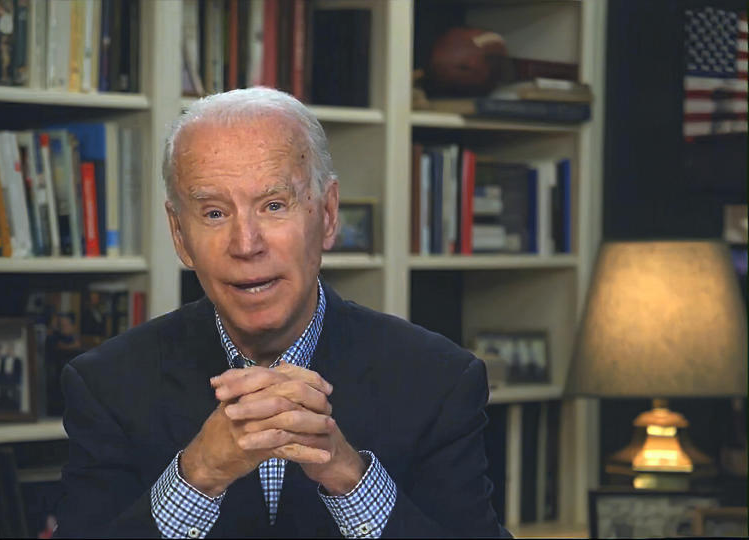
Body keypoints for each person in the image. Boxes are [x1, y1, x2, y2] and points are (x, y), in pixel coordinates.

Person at [55, 87, 508, 538]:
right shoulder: (106, 386)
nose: (246, 244)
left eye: (273, 206)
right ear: (179, 235)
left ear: (328, 215)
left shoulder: (439, 380)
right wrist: (198, 475)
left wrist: (350, 478)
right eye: (214, 213)